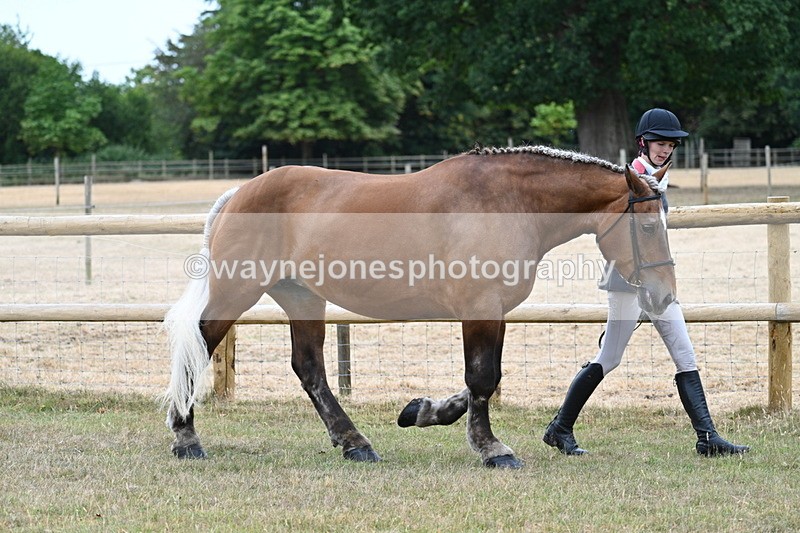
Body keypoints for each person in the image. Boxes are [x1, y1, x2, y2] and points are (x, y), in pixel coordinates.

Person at [542, 108, 750, 457]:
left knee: (684, 353)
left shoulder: (656, 177)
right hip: (626, 283)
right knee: (609, 357)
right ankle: (560, 428)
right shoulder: (631, 178)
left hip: (654, 281)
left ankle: (707, 437)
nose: (665, 150)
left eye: (670, 144)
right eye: (659, 143)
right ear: (643, 143)